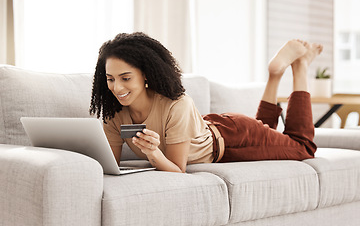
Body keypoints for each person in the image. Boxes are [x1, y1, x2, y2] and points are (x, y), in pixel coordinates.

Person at [90, 32, 323, 173]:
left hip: (232, 141)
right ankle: (274, 75)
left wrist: (153, 153)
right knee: (268, 132)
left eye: (126, 78)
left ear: (146, 74)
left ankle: (300, 67)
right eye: (110, 79)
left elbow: (177, 169)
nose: (117, 88)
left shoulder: (176, 105)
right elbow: (111, 166)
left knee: (302, 147)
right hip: (217, 128)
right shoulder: (113, 113)